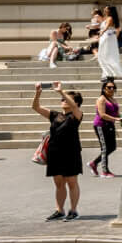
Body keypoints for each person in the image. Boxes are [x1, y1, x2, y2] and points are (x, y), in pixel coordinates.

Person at [33, 83, 85, 220]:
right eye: (62, 99)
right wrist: (38, 93)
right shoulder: (55, 115)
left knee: (71, 181)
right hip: (55, 152)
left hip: (71, 152)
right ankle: (59, 210)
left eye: (66, 99)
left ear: (76, 102)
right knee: (58, 182)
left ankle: (73, 210)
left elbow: (73, 107)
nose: (63, 101)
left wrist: (62, 92)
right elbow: (36, 107)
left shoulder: (77, 115)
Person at [89, 78, 122, 177]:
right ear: (104, 89)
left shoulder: (113, 99)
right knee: (105, 148)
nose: (111, 89)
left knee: (112, 147)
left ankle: (94, 163)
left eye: (113, 87)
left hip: (110, 125)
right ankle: (105, 171)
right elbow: (102, 115)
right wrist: (116, 119)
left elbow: (116, 113)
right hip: (101, 125)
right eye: (109, 87)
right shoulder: (101, 99)